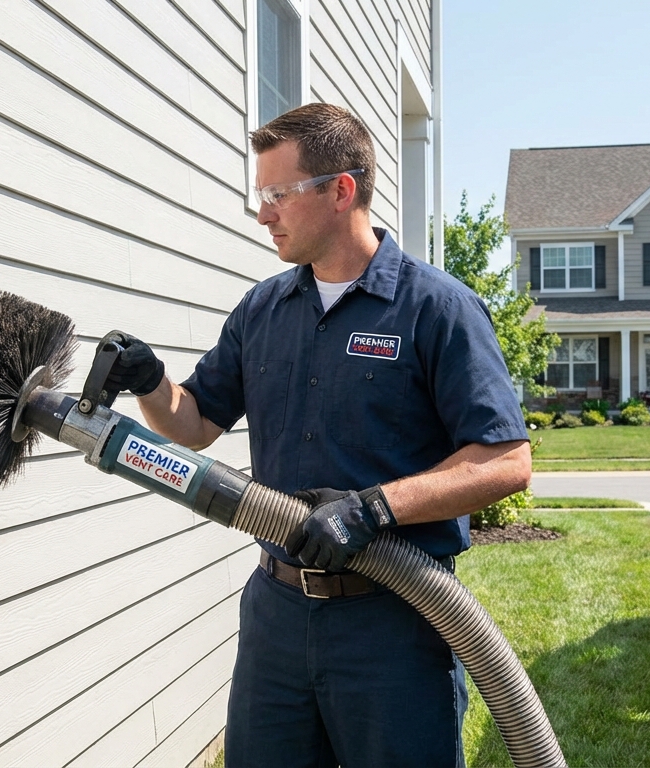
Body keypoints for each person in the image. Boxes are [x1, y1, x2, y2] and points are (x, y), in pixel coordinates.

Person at [103, 103, 530, 768]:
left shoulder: (435, 308)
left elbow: (505, 461)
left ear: (341, 190)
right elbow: (193, 424)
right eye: (260, 196)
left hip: (393, 620)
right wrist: (151, 380)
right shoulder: (263, 309)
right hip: (276, 615)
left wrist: (373, 509)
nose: (263, 212)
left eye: (278, 194)